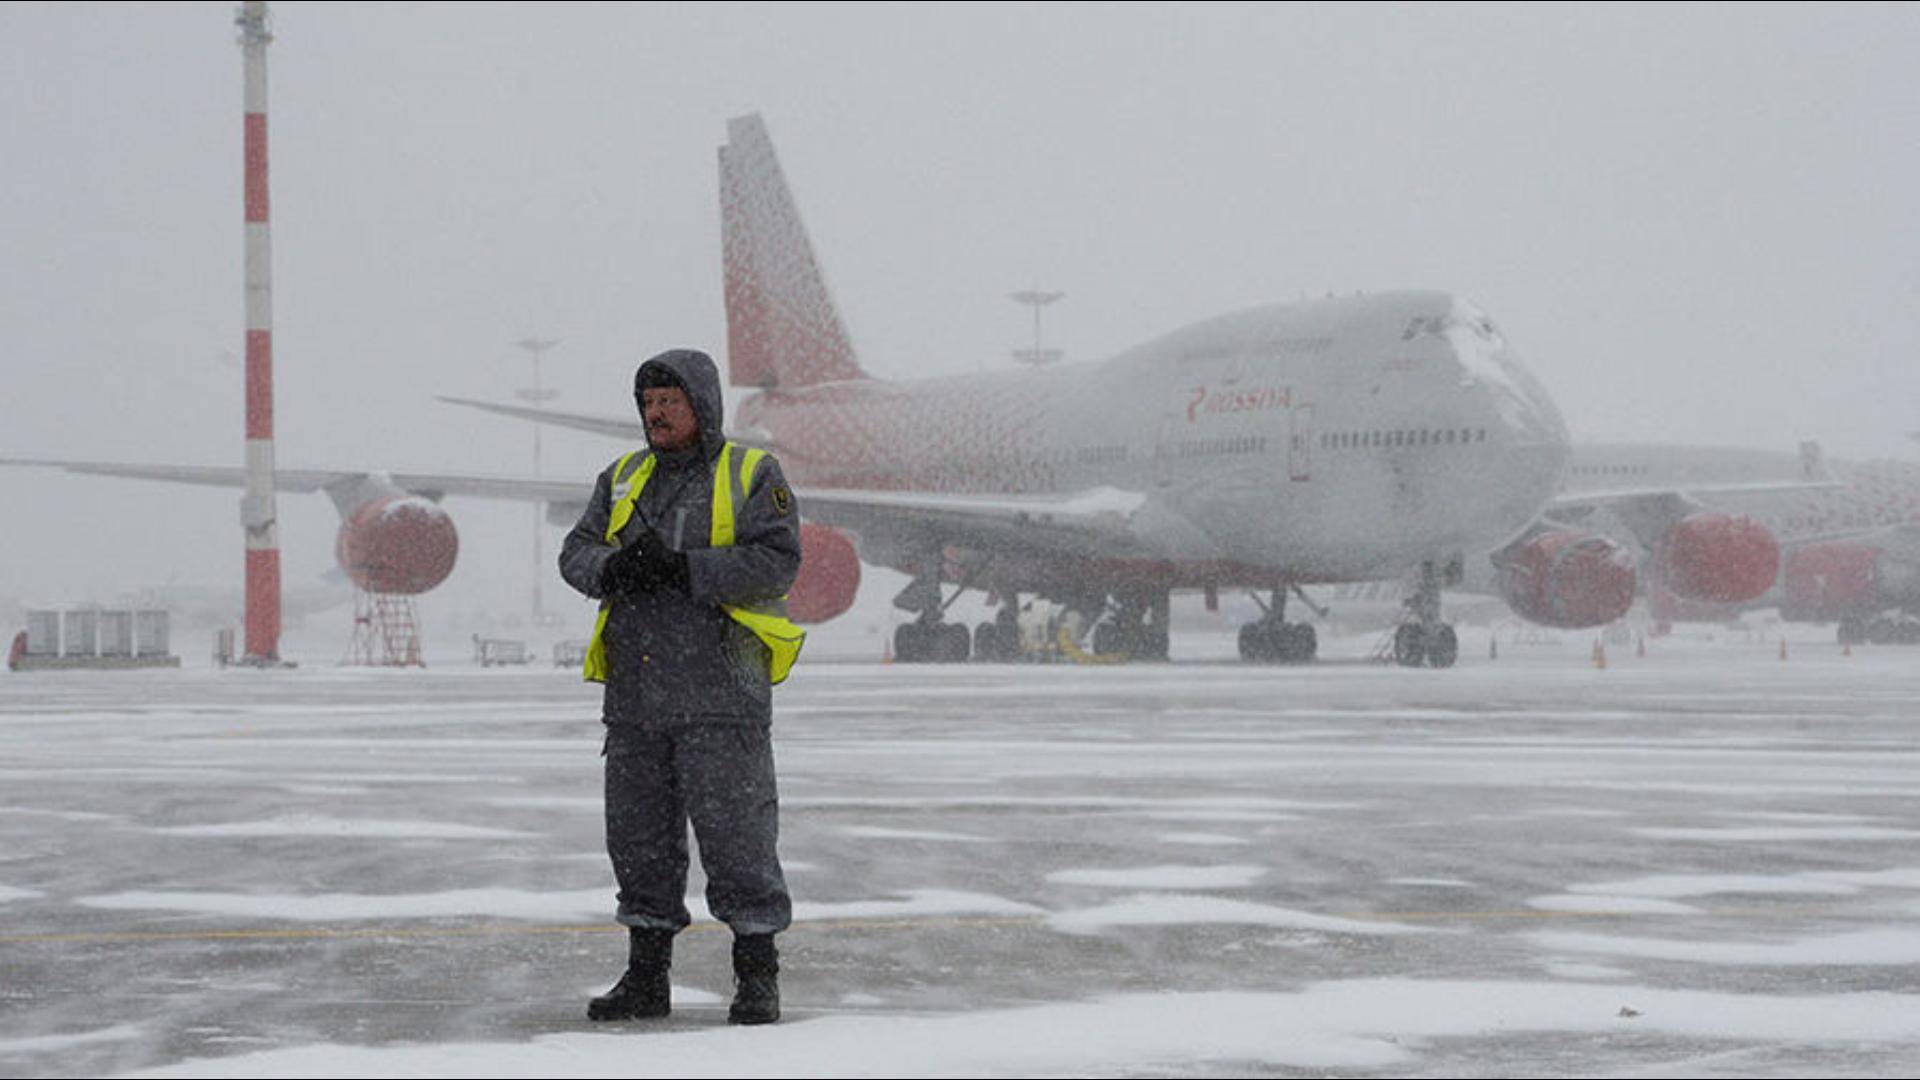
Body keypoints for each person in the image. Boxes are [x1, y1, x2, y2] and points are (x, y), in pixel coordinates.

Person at [558, 347, 805, 1025]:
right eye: (647, 403)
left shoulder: (751, 472)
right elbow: (575, 551)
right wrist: (614, 570)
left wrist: (686, 570)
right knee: (637, 841)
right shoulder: (621, 476)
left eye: (669, 400)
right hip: (636, 699)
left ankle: (757, 977)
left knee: (738, 839)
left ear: (702, 404)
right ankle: (646, 977)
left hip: (722, 693)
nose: (656, 414)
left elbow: (777, 560)